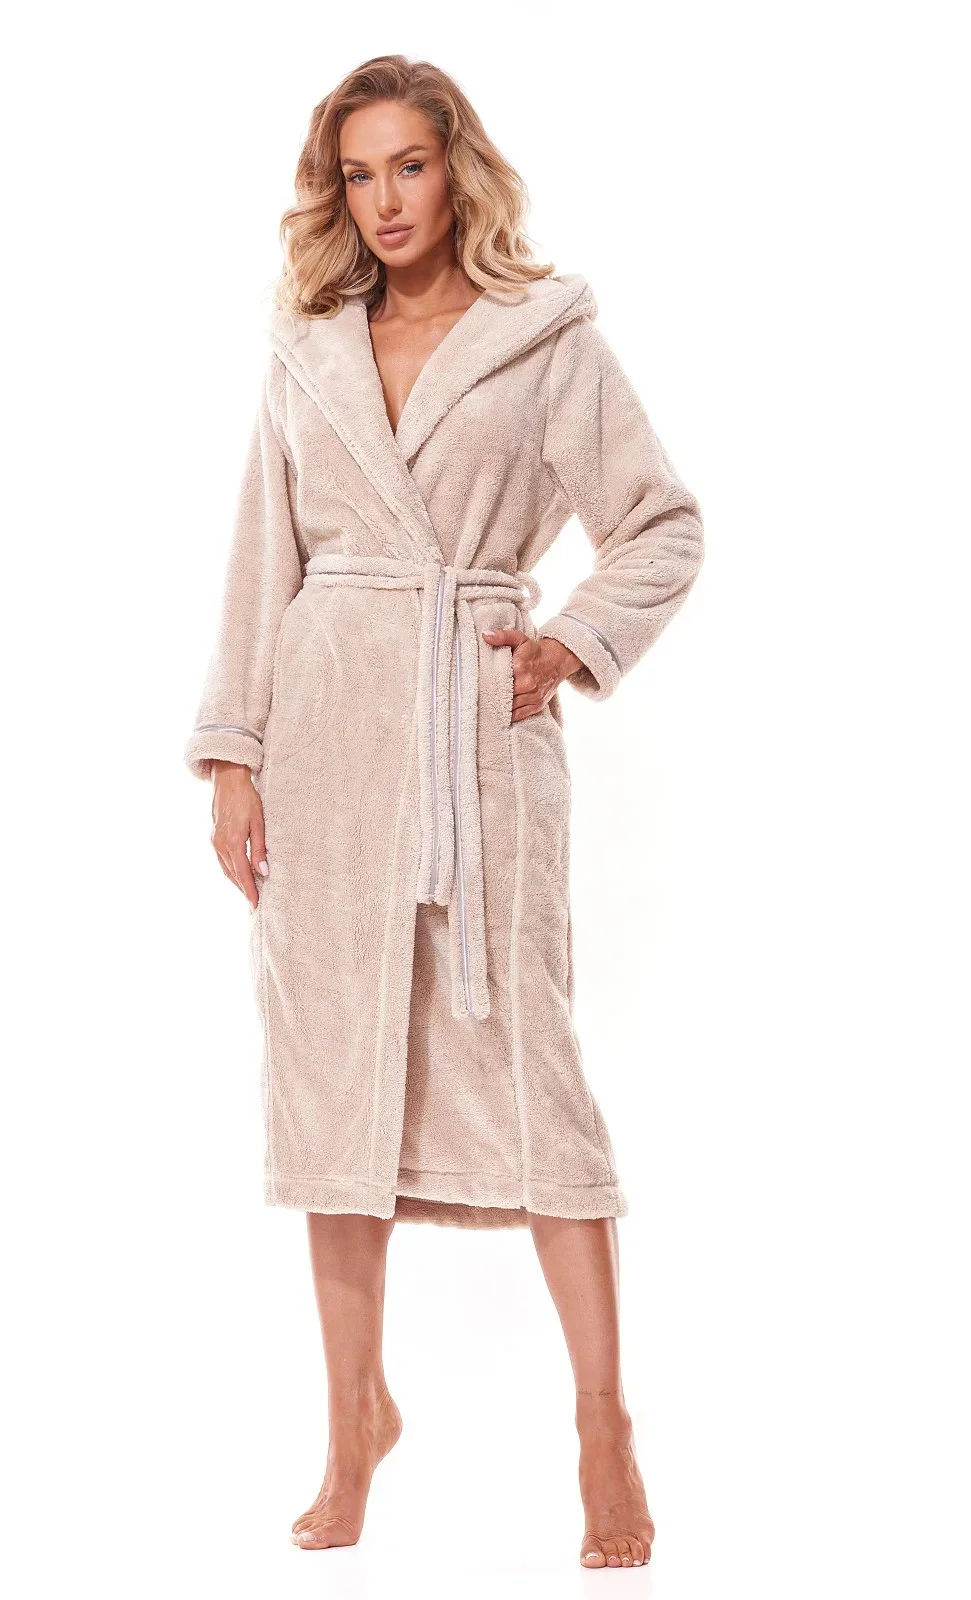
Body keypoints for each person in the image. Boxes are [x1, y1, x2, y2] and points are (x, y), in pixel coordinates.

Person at [183, 54, 704, 1570]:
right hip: (327, 735)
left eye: (407, 165)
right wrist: (235, 754)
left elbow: (661, 524)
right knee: (330, 1074)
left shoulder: (544, 340)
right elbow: (261, 555)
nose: (385, 200)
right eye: (357, 174)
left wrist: (572, 642)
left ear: (455, 169)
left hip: (478, 737)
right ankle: (354, 1418)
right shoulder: (305, 348)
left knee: (534, 1071)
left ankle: (602, 1426)